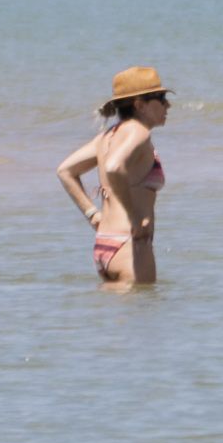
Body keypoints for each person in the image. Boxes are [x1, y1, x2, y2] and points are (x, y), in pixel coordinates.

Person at [58, 64, 169, 286]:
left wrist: (93, 215)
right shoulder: (139, 131)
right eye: (161, 98)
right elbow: (113, 167)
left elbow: (66, 171)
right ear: (140, 105)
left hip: (104, 245)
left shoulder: (107, 136)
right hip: (130, 244)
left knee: (117, 310)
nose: (168, 105)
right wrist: (133, 217)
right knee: (145, 307)